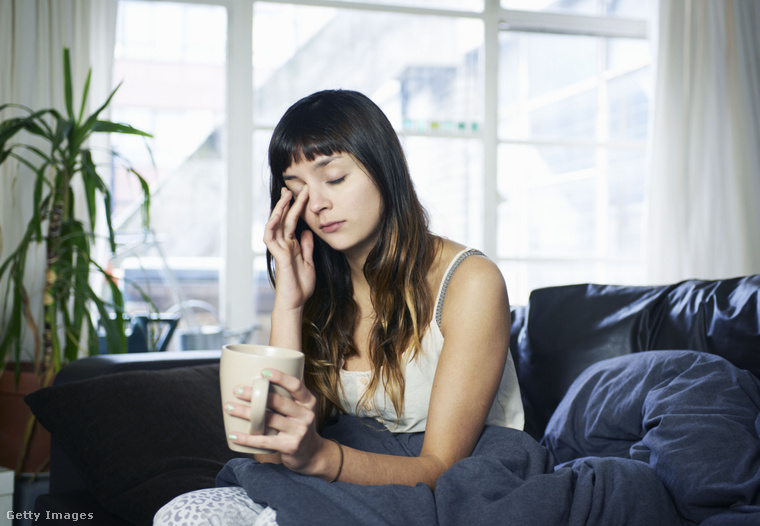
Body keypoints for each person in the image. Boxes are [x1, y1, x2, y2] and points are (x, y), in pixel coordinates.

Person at [154, 89, 524, 525]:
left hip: (454, 484)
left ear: (384, 169)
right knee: (184, 514)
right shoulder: (321, 288)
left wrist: (320, 457)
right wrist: (289, 304)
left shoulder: (470, 282)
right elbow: (267, 448)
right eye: (297, 189)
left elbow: (439, 469)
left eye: (334, 178)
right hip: (351, 472)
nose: (319, 204)